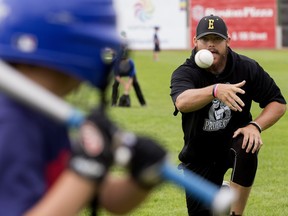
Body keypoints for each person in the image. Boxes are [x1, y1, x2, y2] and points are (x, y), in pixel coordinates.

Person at [0, 0, 167, 215]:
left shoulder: (46, 114)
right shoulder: (12, 124)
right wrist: (86, 169)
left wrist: (142, 178)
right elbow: (81, 181)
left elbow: (107, 197)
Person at [170, 14, 286, 216]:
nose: (211, 45)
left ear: (228, 41)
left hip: (233, 143)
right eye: (205, 39)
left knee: (247, 142)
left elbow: (278, 103)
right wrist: (215, 90)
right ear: (195, 42)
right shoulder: (186, 72)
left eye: (217, 39)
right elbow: (182, 102)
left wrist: (255, 126)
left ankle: (235, 213)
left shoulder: (246, 68)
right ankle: (221, 191)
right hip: (200, 154)